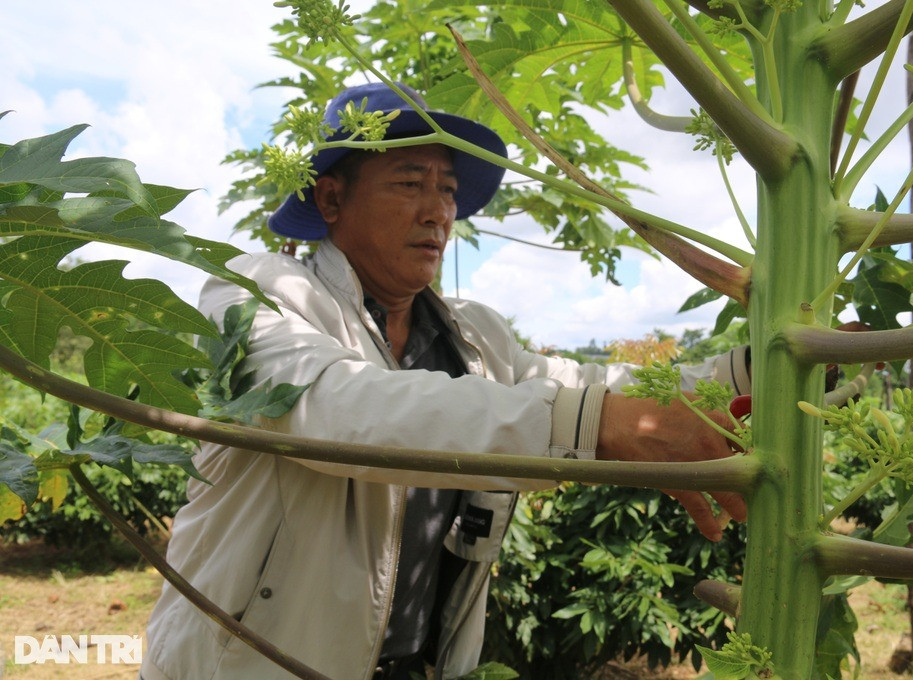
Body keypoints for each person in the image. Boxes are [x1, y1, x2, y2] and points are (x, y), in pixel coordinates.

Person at [141, 82, 751, 680]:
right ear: (330, 200)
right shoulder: (257, 291)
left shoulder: (474, 334)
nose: (437, 211)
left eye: (449, 191)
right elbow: (335, 407)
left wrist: (747, 372)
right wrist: (593, 425)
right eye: (409, 184)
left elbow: (599, 383)